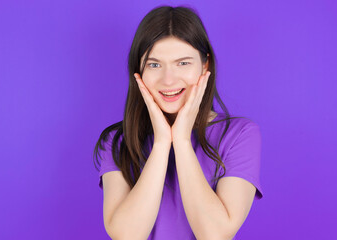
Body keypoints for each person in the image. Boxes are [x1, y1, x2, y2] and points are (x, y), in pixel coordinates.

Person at [94, 5, 263, 240]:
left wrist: (182, 141)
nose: (169, 79)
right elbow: (127, 236)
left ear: (205, 65)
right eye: (154, 64)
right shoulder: (118, 141)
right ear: (138, 71)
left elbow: (215, 235)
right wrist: (162, 143)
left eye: (183, 63)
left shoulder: (239, 134)